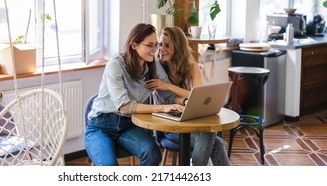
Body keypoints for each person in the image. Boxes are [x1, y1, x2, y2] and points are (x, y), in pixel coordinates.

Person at [84, 23, 184, 166]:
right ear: (134, 45)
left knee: (153, 153)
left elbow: (170, 97)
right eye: (150, 45)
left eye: (156, 45)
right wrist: (162, 108)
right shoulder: (116, 65)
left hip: (128, 126)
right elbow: (125, 107)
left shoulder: (154, 66)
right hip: (101, 126)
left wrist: (188, 102)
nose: (155, 50)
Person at [146, 26, 230, 166]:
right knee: (214, 140)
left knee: (212, 138)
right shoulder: (157, 68)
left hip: (191, 122)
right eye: (160, 44)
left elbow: (199, 96)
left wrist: (168, 86)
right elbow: (173, 100)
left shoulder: (192, 67)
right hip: (168, 126)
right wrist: (185, 98)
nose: (161, 49)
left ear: (178, 47)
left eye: (167, 45)